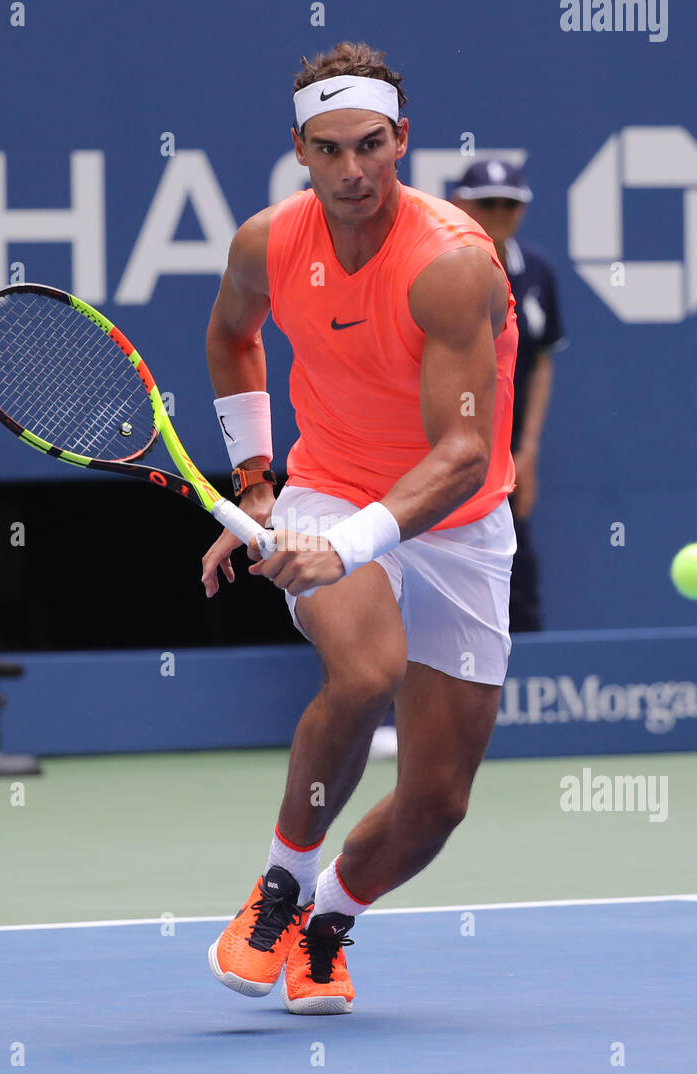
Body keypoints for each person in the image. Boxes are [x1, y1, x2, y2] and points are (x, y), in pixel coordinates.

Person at [199, 41, 518, 1015]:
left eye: (370, 147)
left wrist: (347, 545)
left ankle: (328, 921)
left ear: (402, 140)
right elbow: (231, 336)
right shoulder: (264, 243)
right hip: (328, 483)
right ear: (298, 148)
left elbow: (462, 450)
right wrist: (258, 483)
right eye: (328, 149)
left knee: (436, 803)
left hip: (456, 518)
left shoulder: (451, 264)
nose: (350, 172)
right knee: (367, 667)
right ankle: (281, 883)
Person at [453, 160, 565, 631]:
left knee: (517, 571)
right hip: (445, 447)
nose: (499, 212)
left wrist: (529, 450)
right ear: (461, 204)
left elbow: (540, 362)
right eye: (487, 203)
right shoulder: (441, 267)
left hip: (508, 456)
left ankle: (525, 688)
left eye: (510, 204)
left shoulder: (537, 271)